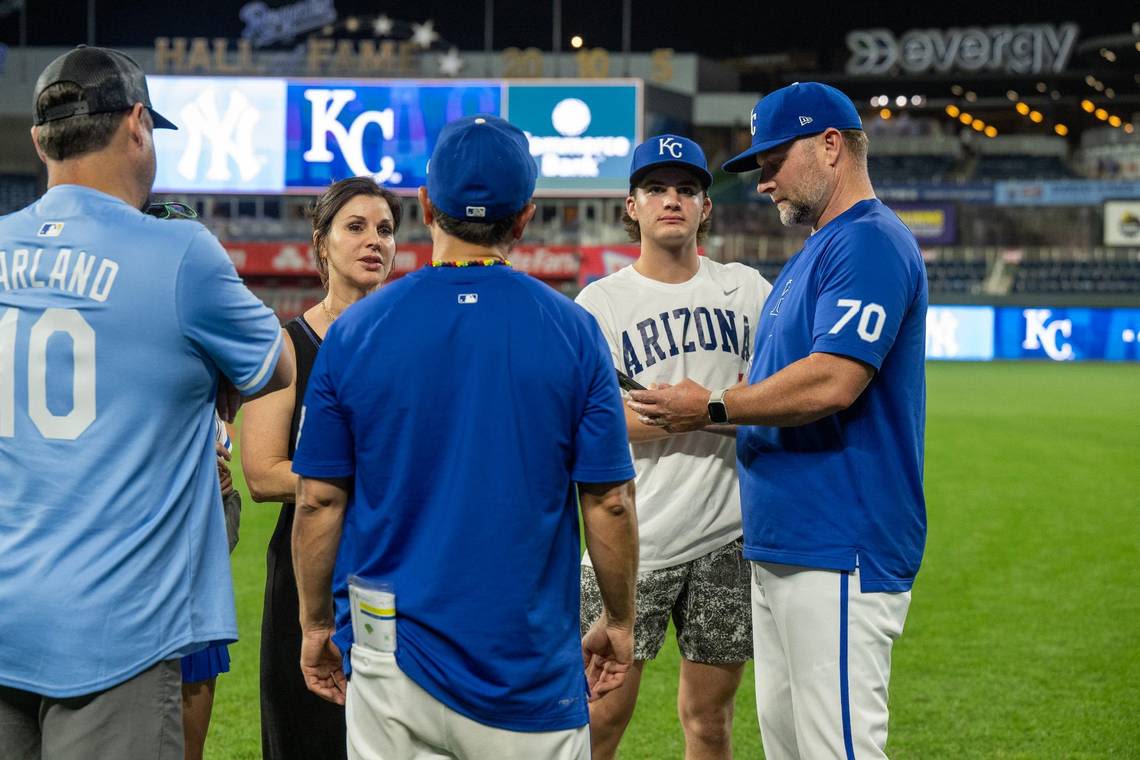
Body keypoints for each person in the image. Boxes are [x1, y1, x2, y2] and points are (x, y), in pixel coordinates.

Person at [290, 114, 639, 760]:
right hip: (527, 668)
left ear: (426, 207)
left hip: (392, 656)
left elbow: (318, 500)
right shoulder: (573, 331)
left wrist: (314, 624)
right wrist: (618, 621)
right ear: (526, 216)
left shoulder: (357, 330)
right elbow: (610, 502)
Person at [0, 45, 291, 760]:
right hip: (114, 635)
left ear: (41, 141)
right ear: (137, 123)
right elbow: (277, 366)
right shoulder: (178, 253)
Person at [627, 82, 928, 760]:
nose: (762, 182)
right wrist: (732, 405)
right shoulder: (815, 254)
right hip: (787, 546)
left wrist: (708, 406)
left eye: (772, 161)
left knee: (836, 750)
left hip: (839, 545)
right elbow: (771, 396)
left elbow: (833, 380)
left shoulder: (870, 242)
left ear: (830, 146)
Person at [575, 134, 771, 760]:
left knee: (710, 721)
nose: (672, 200)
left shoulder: (747, 290)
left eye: (687, 189)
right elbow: (592, 422)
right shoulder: (600, 304)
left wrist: (688, 408)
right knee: (596, 719)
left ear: (706, 208)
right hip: (629, 536)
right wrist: (719, 406)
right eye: (656, 189)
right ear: (630, 205)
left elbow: (773, 409)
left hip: (728, 537)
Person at [241, 175, 402, 760]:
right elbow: (261, 473)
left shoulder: (412, 343)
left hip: (398, 568)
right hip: (309, 567)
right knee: (308, 736)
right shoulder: (286, 345)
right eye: (355, 227)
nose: (373, 241)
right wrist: (355, 483)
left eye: (385, 229)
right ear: (321, 242)